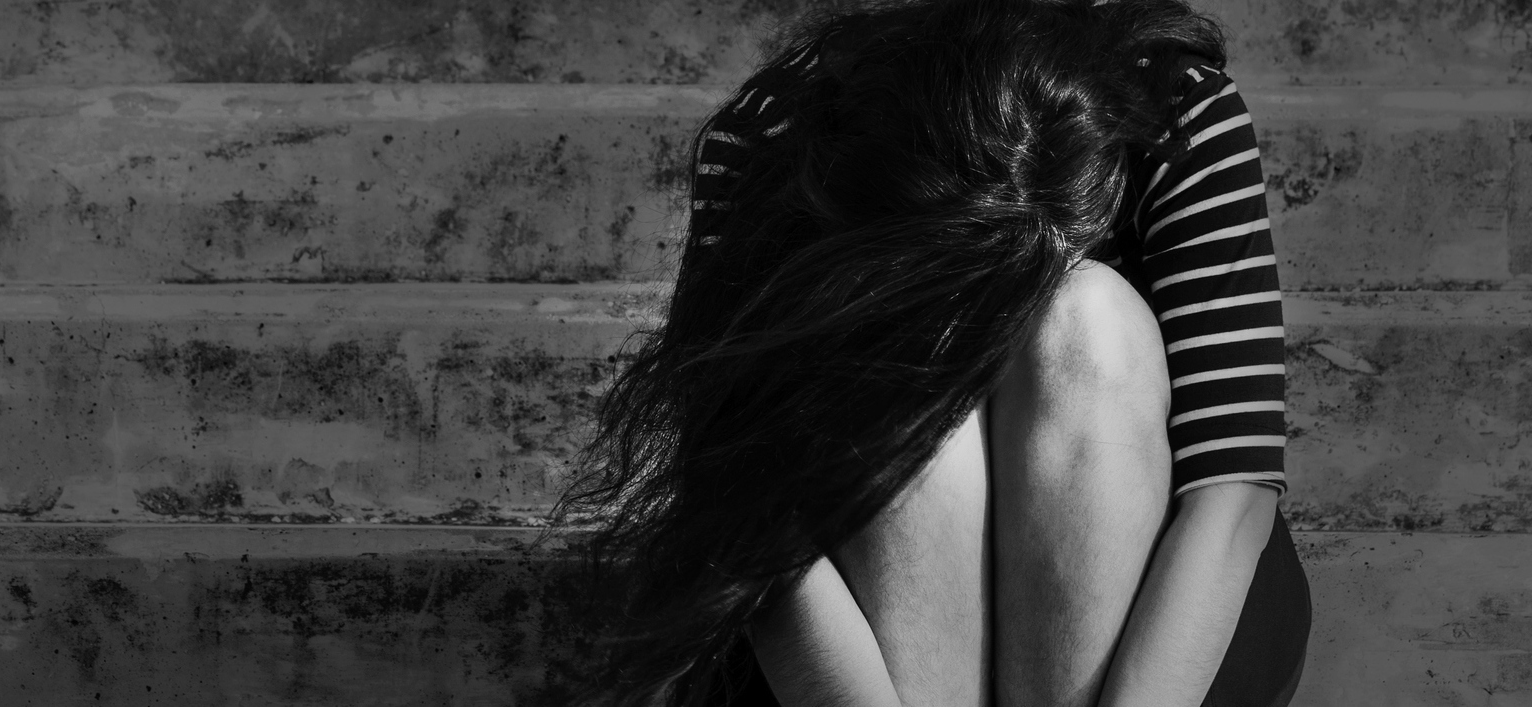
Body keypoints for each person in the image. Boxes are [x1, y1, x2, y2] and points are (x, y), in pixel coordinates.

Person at [553, 1, 1310, 705]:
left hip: (1175, 632)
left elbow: (1229, 490)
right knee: (900, 350)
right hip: (842, 640)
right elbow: (750, 514)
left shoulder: (1171, 102)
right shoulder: (774, 133)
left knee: (1083, 314)